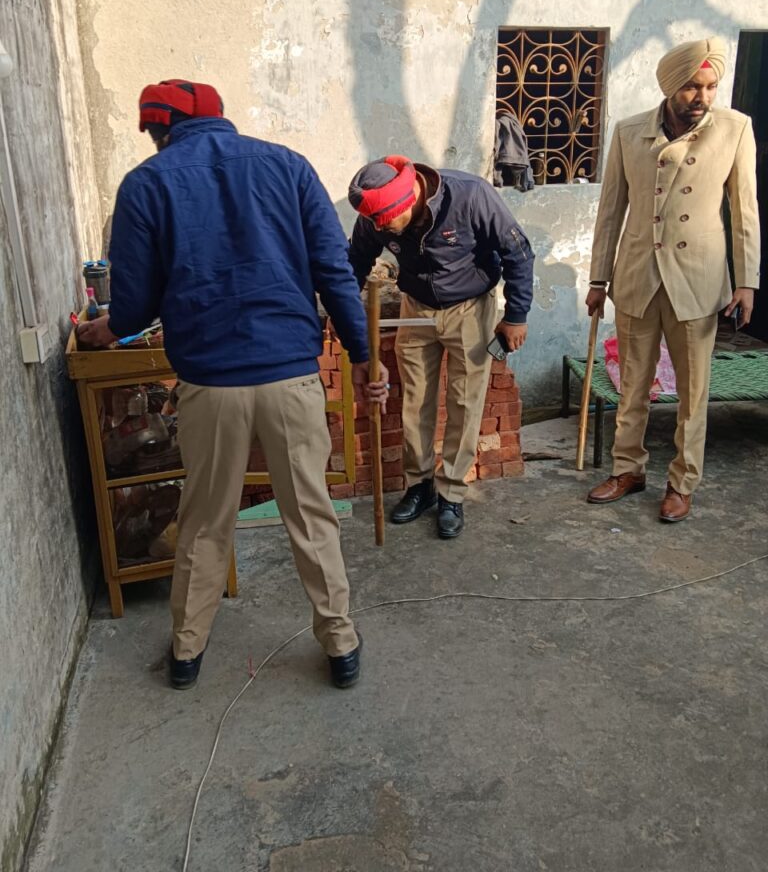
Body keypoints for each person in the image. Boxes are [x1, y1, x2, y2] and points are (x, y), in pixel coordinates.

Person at [77, 79, 388, 690]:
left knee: (204, 521)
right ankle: (340, 644)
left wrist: (102, 331)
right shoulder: (290, 167)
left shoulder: (145, 184)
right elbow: (334, 272)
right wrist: (361, 354)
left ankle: (187, 652)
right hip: (290, 378)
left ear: (158, 129)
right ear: (222, 118)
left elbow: (134, 306)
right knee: (311, 515)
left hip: (210, 384)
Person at [585, 37, 761, 521]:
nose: (702, 97)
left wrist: (746, 281)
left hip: (698, 280)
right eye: (691, 87)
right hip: (637, 276)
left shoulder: (735, 129)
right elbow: (610, 212)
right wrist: (598, 279)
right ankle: (628, 469)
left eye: (710, 86)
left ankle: (682, 482)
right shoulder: (629, 132)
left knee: (693, 394)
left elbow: (745, 210)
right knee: (632, 386)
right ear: (669, 87)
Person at [346, 155, 534, 539]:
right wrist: (344, 313)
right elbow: (354, 263)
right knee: (415, 402)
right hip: (416, 308)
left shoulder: (470, 196)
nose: (379, 229)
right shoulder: (374, 217)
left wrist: (516, 315)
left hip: (470, 308)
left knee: (464, 401)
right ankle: (420, 486)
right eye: (374, 222)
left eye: (385, 221)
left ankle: (451, 492)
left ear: (409, 200)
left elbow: (518, 252)